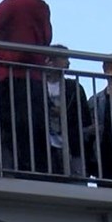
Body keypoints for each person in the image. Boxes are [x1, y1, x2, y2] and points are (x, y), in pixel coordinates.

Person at [0, 0, 53, 173]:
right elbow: (47, 38)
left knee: (11, 122)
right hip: (35, 73)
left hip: (10, 71)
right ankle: (41, 168)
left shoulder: (11, 5)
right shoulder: (43, 10)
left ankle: (19, 166)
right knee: (35, 123)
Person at [46, 45, 91, 176]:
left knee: (77, 186)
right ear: (51, 60)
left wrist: (65, 114)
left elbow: (84, 118)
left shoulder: (74, 87)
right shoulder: (35, 86)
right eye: (64, 58)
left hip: (72, 146)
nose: (68, 62)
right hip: (45, 146)